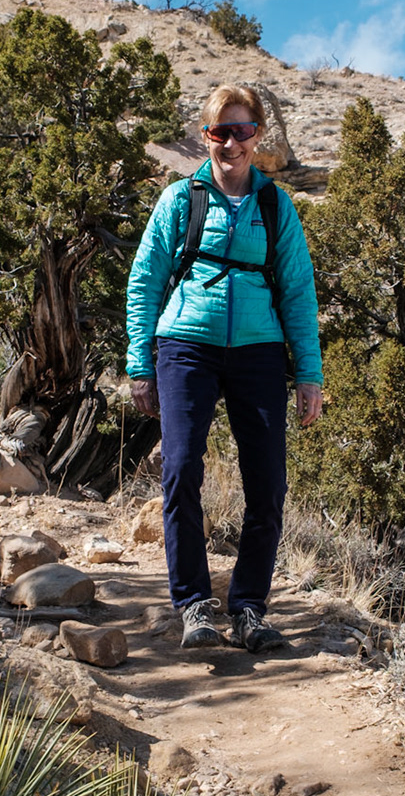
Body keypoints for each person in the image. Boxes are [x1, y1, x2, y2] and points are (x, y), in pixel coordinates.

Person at [125, 84, 323, 653]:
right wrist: (141, 364)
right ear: (205, 135)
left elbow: (298, 293)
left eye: (241, 131)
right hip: (186, 344)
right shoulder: (179, 200)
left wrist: (308, 373)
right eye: (219, 131)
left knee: (268, 483)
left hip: (259, 351)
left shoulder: (274, 205)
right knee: (182, 467)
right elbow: (144, 284)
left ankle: (249, 609)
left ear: (257, 136)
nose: (231, 142)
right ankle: (192, 605)